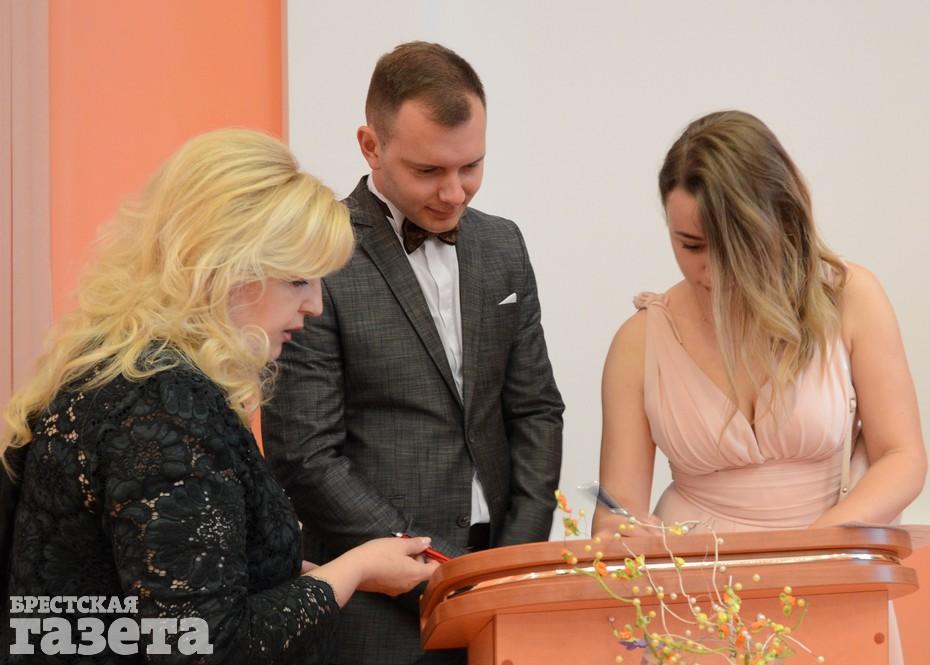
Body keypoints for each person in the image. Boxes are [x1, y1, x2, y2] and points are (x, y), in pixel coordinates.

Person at [0, 129, 439, 663]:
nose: (316, 306)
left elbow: (190, 576)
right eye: (298, 281)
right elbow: (206, 643)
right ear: (226, 271)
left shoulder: (114, 370)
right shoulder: (164, 407)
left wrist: (346, 572)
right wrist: (355, 568)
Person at [261, 41, 564, 665]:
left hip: (500, 581)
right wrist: (433, 572)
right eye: (429, 171)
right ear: (370, 146)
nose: (454, 193)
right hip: (375, 603)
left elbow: (536, 410)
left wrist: (512, 563)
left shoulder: (504, 245)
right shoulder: (320, 254)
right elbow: (305, 454)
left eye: (471, 166)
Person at [594, 111, 926, 664]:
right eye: (691, 246)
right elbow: (615, 515)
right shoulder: (639, 341)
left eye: (734, 246)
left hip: (832, 581)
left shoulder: (851, 298)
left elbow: (903, 456)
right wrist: (621, 536)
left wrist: (812, 550)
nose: (710, 271)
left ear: (779, 221)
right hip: (693, 607)